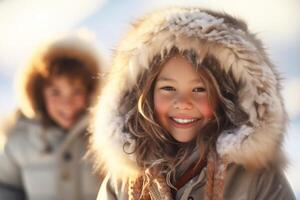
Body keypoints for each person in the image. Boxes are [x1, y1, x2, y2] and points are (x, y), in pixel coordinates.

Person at [89, 7, 296, 200]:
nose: (183, 103)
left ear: (227, 96)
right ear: (144, 94)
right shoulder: (125, 181)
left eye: (199, 89)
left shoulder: (257, 178)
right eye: (168, 88)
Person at [0, 33, 104, 200]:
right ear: (38, 94)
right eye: (55, 93)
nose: (67, 104)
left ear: (92, 92)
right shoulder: (21, 137)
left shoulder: (105, 137)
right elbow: (5, 186)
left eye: (77, 92)